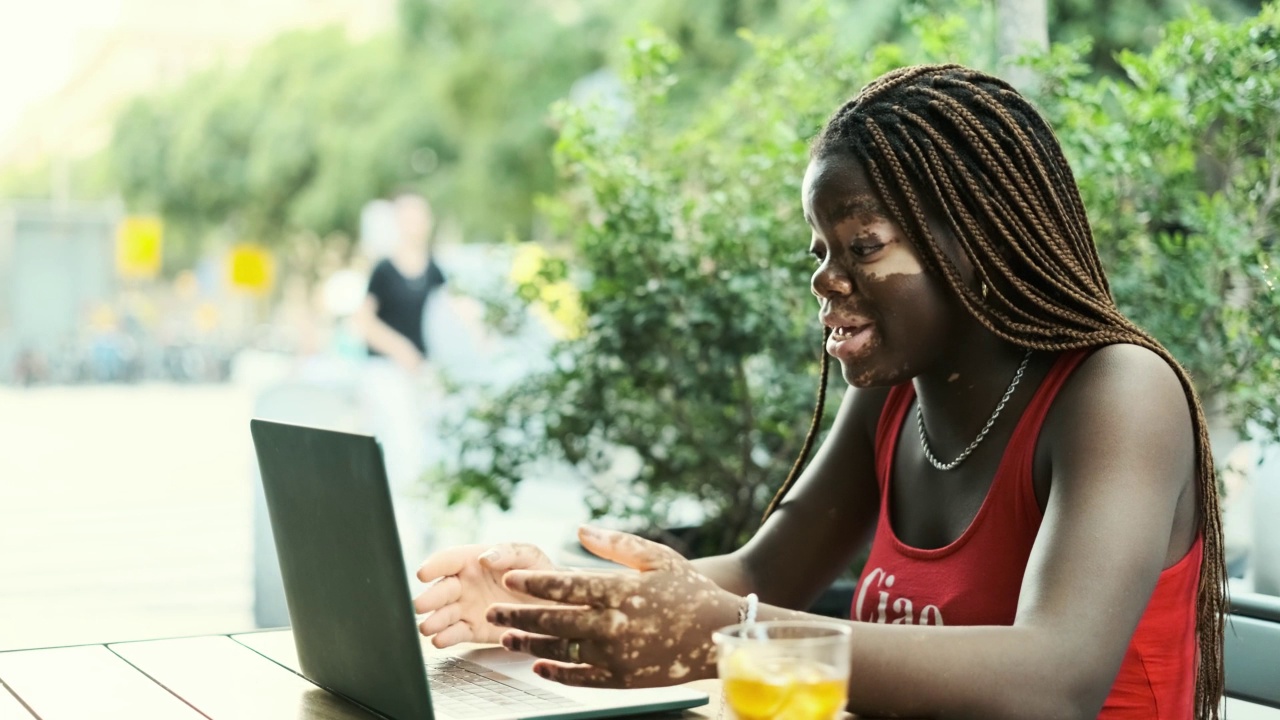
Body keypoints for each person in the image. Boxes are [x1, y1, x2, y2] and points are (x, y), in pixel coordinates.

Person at [412, 64, 1226, 719]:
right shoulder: (894, 399)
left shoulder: (1118, 392)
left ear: (972, 241)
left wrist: (737, 635)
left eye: (863, 245)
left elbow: (1054, 682)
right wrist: (541, 602)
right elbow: (759, 573)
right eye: (820, 249)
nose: (827, 279)